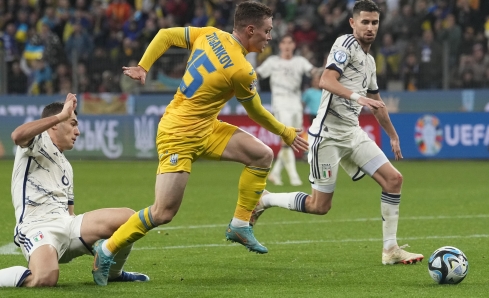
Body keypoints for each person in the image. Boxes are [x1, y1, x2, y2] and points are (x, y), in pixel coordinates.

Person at [91, 1, 309, 286]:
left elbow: (166, 35)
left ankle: (241, 225)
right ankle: (106, 250)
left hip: (205, 127)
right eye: (267, 31)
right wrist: (286, 133)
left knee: (261, 156)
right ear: (251, 29)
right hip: (178, 133)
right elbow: (255, 111)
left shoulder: (209, 34)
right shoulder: (242, 70)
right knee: (163, 212)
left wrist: (144, 66)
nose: (270, 37)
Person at [249, 0, 424, 265]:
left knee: (393, 180)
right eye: (364, 22)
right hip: (327, 135)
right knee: (320, 206)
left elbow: (376, 102)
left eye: (374, 22)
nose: (370, 27)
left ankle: (390, 250)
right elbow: (326, 80)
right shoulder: (345, 45)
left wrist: (393, 135)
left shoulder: (369, 61)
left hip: (352, 134)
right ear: (353, 23)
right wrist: (357, 97)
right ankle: (266, 199)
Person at [0, 94, 149, 288]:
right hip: (37, 227)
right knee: (45, 279)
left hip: (68, 226)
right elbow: (17, 136)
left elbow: (70, 212)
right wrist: (61, 115)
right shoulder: (37, 142)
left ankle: (113, 273)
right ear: (55, 124)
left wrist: (88, 237)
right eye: (73, 124)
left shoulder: (66, 166)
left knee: (129, 219)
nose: (77, 132)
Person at [256, 34, 319, 186]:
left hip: (296, 104)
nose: (287, 45)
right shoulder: (273, 62)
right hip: (280, 103)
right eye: (284, 42)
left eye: (289, 42)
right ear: (280, 46)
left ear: (294, 45)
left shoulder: (299, 61)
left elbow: (314, 72)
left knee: (292, 141)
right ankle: (294, 177)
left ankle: (275, 173)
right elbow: (256, 74)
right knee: (286, 139)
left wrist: (329, 67)